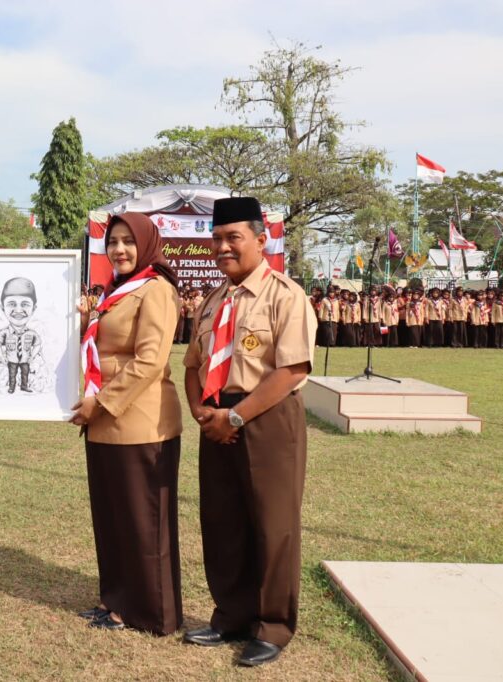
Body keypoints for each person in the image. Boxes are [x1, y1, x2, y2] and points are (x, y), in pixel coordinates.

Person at [181, 197, 315, 668]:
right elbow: (194, 365)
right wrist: (201, 410)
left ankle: (272, 626)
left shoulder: (284, 295)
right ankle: (231, 616)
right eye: (216, 239)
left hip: (266, 416)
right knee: (221, 520)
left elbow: (292, 369)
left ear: (261, 240)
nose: (222, 247)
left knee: (272, 524)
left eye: (233, 237)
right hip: (215, 417)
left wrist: (236, 418)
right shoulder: (213, 301)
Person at [69, 212, 184, 635]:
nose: (118, 250)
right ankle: (114, 600)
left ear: (147, 245)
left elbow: (150, 361)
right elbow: (100, 348)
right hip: (103, 424)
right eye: (113, 242)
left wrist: (100, 403)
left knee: (143, 522)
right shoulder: (114, 292)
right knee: (113, 518)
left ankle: (151, 612)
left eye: (127, 242)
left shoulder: (156, 290)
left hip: (141, 424)